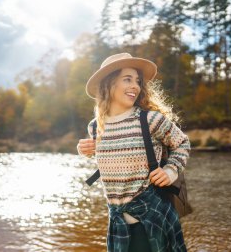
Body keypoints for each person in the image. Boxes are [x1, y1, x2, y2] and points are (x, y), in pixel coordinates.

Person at [77, 53, 191, 252]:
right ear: (108, 84)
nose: (135, 86)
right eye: (127, 79)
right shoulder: (95, 127)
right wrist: (84, 150)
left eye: (137, 81)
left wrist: (170, 171)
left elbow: (182, 143)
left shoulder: (149, 120)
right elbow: (113, 156)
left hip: (153, 219)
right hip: (117, 224)